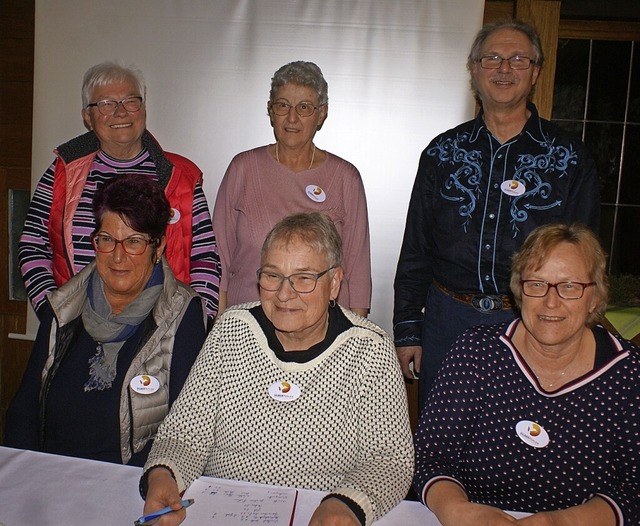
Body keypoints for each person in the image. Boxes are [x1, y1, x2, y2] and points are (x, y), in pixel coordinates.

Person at [139, 212, 413, 526]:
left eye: (303, 278)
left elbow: (390, 459)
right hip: (220, 512)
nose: (284, 294)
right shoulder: (231, 329)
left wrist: (346, 504)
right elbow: (185, 434)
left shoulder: (370, 349)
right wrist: (164, 474)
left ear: (334, 282)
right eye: (272, 276)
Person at [393, 20, 600, 408]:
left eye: (518, 59)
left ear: (535, 71)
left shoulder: (570, 159)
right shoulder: (441, 153)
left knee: (523, 443)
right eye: (492, 58)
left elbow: (586, 261)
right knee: (443, 438)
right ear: (474, 69)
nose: (504, 68)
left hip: (533, 324)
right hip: (447, 322)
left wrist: (578, 331)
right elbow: (416, 249)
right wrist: (408, 331)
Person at [413, 223, 639, 526]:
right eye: (537, 283)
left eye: (570, 286)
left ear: (595, 297)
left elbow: (634, 487)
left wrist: (558, 523)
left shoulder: (627, 373)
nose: (550, 301)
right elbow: (430, 456)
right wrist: (456, 510)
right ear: (519, 290)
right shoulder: (476, 352)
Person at [4, 175, 208, 467]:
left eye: (134, 241)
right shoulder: (63, 307)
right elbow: (24, 411)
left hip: (127, 484)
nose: (118, 256)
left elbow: (186, 427)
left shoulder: (182, 316)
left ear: (158, 247)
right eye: (107, 240)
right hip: (51, 477)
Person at [18, 61, 220, 323]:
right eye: (105, 104)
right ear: (87, 117)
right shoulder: (62, 174)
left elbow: (205, 257)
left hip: (161, 331)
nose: (121, 112)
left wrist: (195, 323)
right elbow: (33, 244)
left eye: (130, 101)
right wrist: (52, 312)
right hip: (77, 325)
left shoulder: (180, 176)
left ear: (143, 109)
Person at [213, 60, 371, 318]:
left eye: (305, 107)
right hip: (247, 325)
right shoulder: (242, 169)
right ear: (270, 111)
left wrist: (356, 336)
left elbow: (358, 270)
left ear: (322, 114)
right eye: (283, 105)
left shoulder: (345, 178)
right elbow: (218, 259)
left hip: (322, 333)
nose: (292, 117)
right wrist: (218, 328)